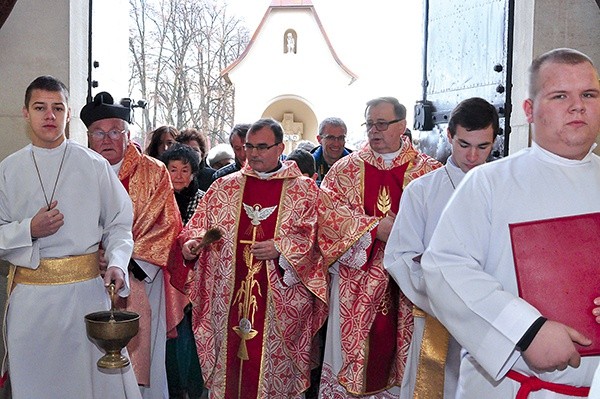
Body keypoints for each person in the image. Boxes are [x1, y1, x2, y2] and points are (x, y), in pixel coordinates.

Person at [420, 48, 600, 398]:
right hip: (513, 387)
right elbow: (443, 268)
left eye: (589, 94)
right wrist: (526, 331)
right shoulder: (489, 183)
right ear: (529, 110)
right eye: (560, 95)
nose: (577, 106)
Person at [0, 76, 140, 398]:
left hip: (87, 297)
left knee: (89, 385)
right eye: (40, 108)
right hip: (31, 302)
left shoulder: (93, 165)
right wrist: (29, 230)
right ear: (25, 113)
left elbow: (120, 222)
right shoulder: (8, 170)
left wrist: (118, 262)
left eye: (57, 108)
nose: (49, 116)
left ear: (68, 112)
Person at [180, 118, 328, 398]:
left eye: (262, 147)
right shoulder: (224, 188)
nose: (254, 153)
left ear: (281, 147)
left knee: (272, 378)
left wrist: (282, 247)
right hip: (228, 301)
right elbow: (199, 226)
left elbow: (318, 241)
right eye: (250, 146)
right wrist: (191, 244)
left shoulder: (304, 191)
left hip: (280, 308)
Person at [317, 97, 441, 397]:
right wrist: (374, 228)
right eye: (370, 124)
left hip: (410, 286)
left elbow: (446, 224)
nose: (374, 131)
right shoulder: (345, 170)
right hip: (355, 286)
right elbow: (327, 215)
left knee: (407, 361)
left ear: (402, 126)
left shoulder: (430, 172)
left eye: (382, 124)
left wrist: (405, 235)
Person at [384, 97, 500, 399]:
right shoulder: (422, 191)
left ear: (495, 141)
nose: (473, 156)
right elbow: (399, 257)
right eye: (464, 144)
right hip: (438, 317)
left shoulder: (505, 189)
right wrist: (443, 293)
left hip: (494, 318)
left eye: (483, 146)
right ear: (449, 136)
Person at [82, 92, 185, 399]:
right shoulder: (78, 170)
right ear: (88, 136)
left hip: (141, 276)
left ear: (127, 135)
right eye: (98, 132)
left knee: (144, 363)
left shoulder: (153, 171)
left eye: (115, 131)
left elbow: (168, 224)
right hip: (86, 277)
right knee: (88, 358)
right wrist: (91, 256)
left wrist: (123, 260)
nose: (107, 139)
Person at [160, 143, 206, 399]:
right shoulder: (159, 198)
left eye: (184, 170)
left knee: (192, 334)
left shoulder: (203, 199)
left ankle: (193, 385)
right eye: (172, 169)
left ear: (193, 173)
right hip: (162, 277)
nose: (178, 175)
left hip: (196, 279)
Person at [310, 117, 352, 186]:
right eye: (330, 138)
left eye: (341, 138)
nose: (336, 143)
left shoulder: (355, 164)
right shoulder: (308, 164)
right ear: (319, 139)